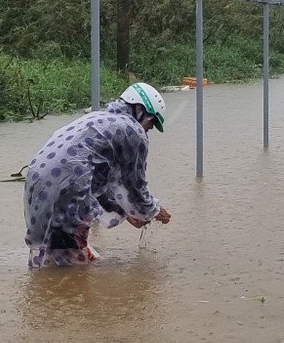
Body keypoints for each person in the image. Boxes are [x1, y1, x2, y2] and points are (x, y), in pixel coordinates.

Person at [24, 81, 174, 267]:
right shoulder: (133, 131)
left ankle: (44, 291)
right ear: (140, 110)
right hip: (70, 190)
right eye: (151, 122)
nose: (149, 130)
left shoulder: (98, 120)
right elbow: (135, 187)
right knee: (72, 267)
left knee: (50, 252)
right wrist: (154, 211)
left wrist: (127, 213)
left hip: (37, 183)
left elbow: (101, 183)